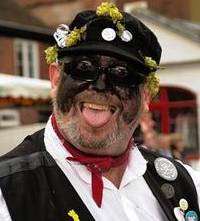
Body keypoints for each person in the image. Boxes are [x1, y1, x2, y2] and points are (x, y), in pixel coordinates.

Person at [0, 2, 199, 221]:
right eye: (84, 67)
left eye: (121, 74)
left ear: (145, 97)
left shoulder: (185, 184)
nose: (100, 85)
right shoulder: (8, 193)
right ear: (56, 78)